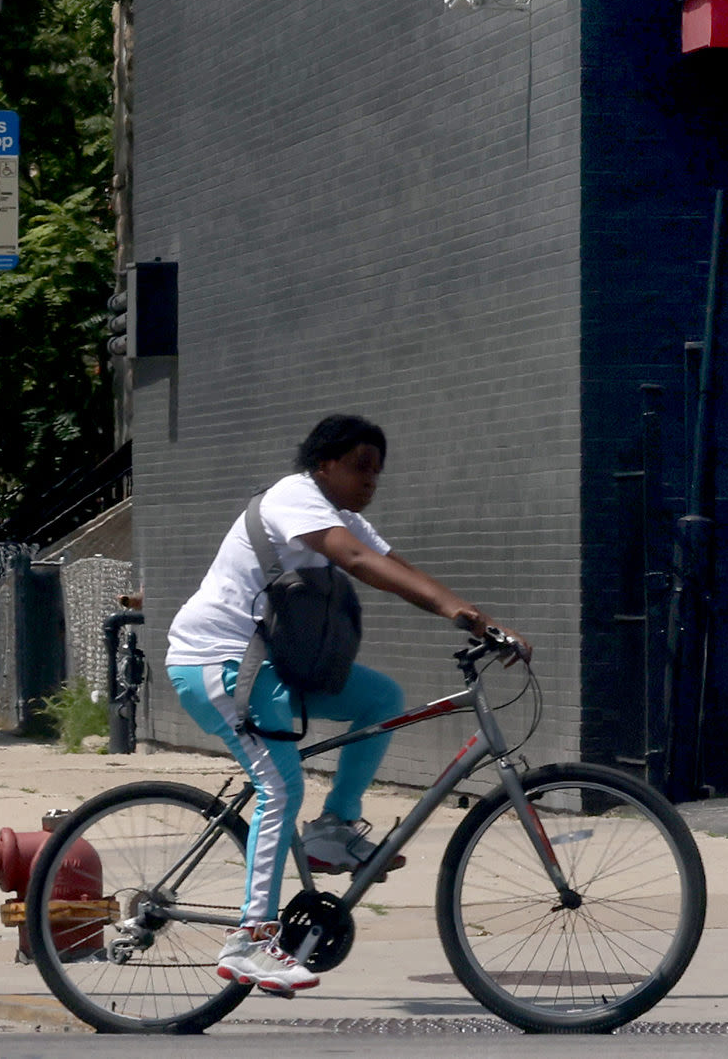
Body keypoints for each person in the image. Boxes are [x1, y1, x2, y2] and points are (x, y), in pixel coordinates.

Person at [160, 413, 526, 998]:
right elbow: (356, 562)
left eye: (378, 473)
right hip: (219, 663)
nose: (370, 482)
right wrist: (457, 614)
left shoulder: (341, 517)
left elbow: (393, 565)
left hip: (267, 668)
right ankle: (250, 942)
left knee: (381, 698)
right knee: (280, 788)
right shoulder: (293, 499)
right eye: (360, 467)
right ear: (323, 462)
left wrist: (480, 617)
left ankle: (333, 829)